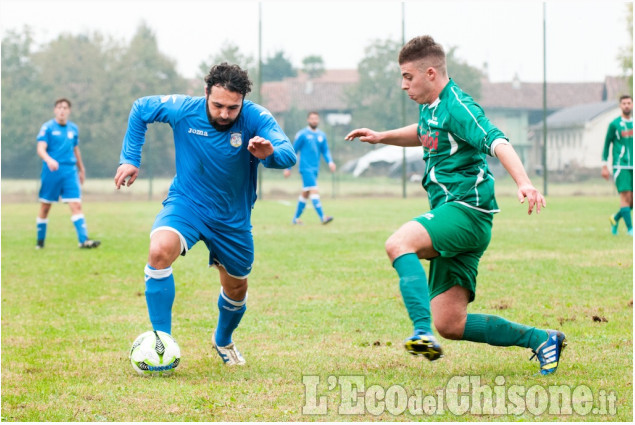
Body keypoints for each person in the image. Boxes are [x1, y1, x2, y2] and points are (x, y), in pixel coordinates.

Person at [345, 35, 566, 375]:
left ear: (430, 73)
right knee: (451, 322)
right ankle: (542, 339)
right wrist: (381, 136)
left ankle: (421, 332)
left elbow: (498, 141)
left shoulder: (459, 106)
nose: (403, 85)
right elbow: (423, 133)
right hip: (458, 216)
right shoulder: (431, 107)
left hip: (467, 211)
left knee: (398, 243)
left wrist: (524, 182)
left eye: (408, 77)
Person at [114, 63, 296, 366]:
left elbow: (287, 153)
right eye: (218, 105)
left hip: (231, 218)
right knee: (159, 251)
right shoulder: (184, 109)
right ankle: (162, 344)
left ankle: (223, 340)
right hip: (187, 204)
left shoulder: (254, 116)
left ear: (242, 102)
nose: (225, 114)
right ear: (205, 93)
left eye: (232, 108)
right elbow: (141, 108)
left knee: (236, 288)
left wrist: (270, 155)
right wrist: (130, 159)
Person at [36, 98, 101, 249]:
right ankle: (40, 243)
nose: (62, 110)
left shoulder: (73, 129)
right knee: (45, 207)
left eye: (65, 108)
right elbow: (41, 148)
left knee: (76, 204)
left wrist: (81, 168)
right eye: (59, 107)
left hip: (70, 171)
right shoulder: (48, 127)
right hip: (52, 171)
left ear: (69, 111)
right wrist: (49, 160)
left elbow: (75, 149)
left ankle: (83, 241)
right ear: (55, 110)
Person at [283, 111, 336, 225]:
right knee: (314, 190)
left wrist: (330, 162)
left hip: (315, 169)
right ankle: (323, 217)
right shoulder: (302, 134)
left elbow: (325, 151)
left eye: (316, 118)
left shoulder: (322, 135)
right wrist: (288, 168)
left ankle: (295, 219)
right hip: (305, 168)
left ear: (318, 120)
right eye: (312, 118)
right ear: (308, 120)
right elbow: (294, 151)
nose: (314, 120)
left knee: (306, 193)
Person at [602, 94, 633, 236]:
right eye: (624, 103)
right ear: (620, 106)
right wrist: (604, 165)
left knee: (631, 202)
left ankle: (614, 218)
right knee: (625, 197)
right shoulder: (614, 124)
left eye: (629, 103)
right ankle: (630, 230)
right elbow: (606, 144)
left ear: (632, 105)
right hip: (621, 166)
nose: (627, 105)